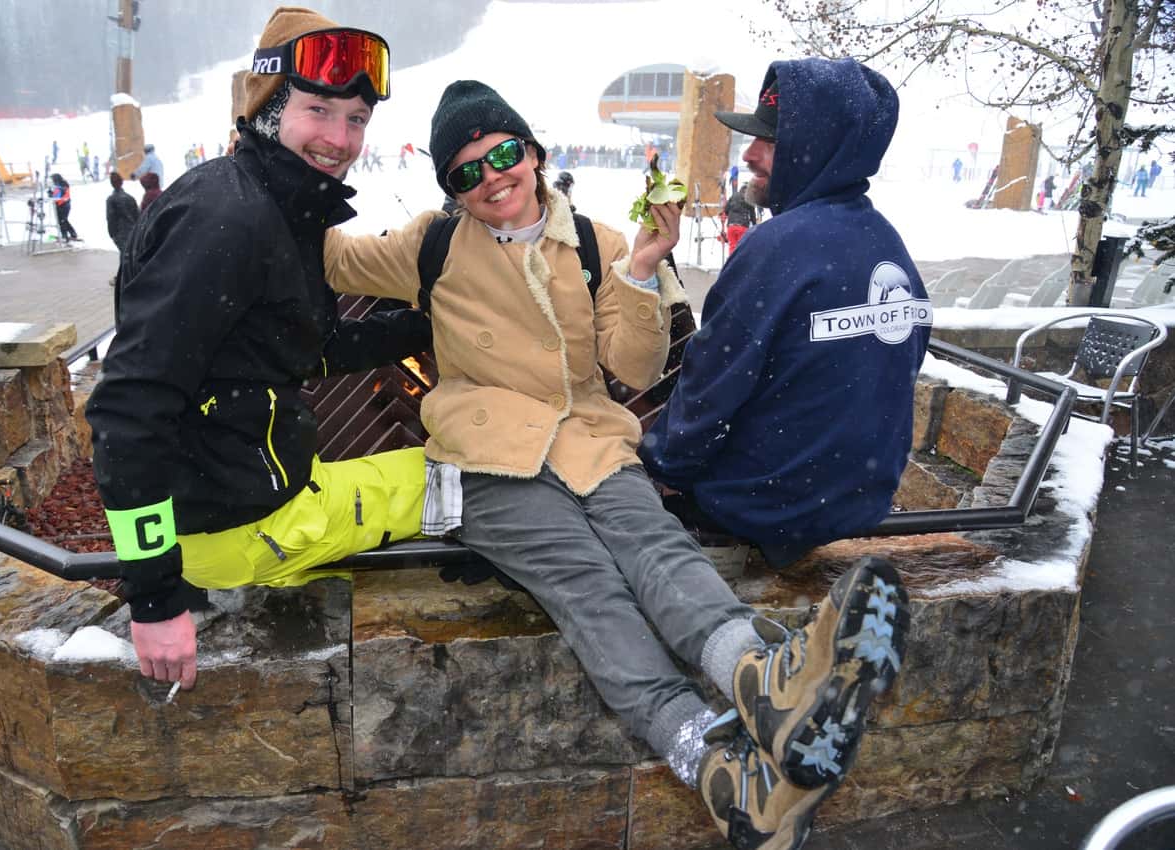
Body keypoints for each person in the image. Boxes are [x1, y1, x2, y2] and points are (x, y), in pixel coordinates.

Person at [323, 78, 909, 850]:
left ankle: (758, 688)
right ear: (453, 192)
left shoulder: (596, 243)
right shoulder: (430, 244)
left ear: (531, 153)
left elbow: (632, 365)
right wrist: (300, 160)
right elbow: (333, 258)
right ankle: (716, 763)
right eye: (466, 172)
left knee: (656, 547)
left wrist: (641, 269)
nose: (492, 177)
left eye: (503, 154)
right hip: (488, 456)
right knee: (589, 588)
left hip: (591, 441)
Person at [86, 7, 432, 694]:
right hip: (246, 526)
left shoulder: (272, 201)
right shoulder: (230, 218)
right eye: (319, 110)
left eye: (357, 118)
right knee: (462, 477)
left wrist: (425, 327)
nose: (340, 138)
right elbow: (126, 408)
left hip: (250, 494)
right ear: (268, 105)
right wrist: (155, 600)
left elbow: (296, 349)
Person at [642, 57, 932, 580]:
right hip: (859, 502)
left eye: (770, 141)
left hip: (764, 510)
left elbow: (710, 388)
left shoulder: (776, 248)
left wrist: (656, 464)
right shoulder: (888, 245)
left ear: (818, 148)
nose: (749, 155)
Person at [105, 171, 139, 258]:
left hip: (120, 232)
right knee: (131, 256)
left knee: (125, 257)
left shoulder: (111, 200)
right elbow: (138, 215)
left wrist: (112, 233)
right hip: (132, 230)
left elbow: (110, 218)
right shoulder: (130, 198)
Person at [721, 182, 757, 254]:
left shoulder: (734, 196)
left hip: (731, 226)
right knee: (742, 247)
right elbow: (752, 213)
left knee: (732, 247)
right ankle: (740, 263)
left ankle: (732, 263)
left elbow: (726, 210)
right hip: (742, 226)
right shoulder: (749, 198)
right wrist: (754, 224)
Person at [48, 173, 79, 242]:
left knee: (62, 220)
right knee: (63, 220)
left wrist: (52, 194)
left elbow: (58, 195)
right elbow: (57, 195)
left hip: (63, 205)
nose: (52, 181)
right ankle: (72, 233)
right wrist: (51, 194)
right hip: (63, 204)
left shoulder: (61, 186)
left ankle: (65, 234)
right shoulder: (61, 185)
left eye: (53, 179)